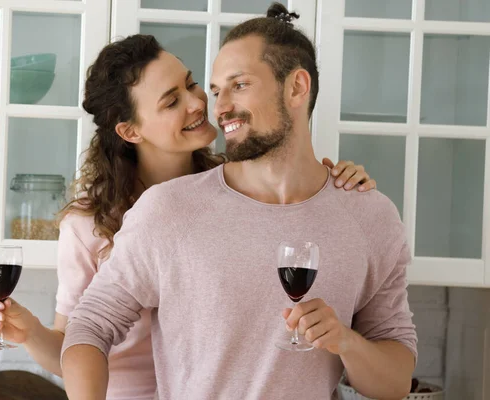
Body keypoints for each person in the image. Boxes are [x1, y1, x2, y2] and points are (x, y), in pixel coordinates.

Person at [0, 34, 377, 400]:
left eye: (191, 84)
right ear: (130, 130)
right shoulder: (89, 224)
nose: (199, 103)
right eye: (171, 101)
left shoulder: (238, 187)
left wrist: (336, 183)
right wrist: (33, 333)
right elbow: (80, 341)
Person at [60, 3, 417, 400]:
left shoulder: (370, 216)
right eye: (215, 90)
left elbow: (396, 381)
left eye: (239, 85)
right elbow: (89, 327)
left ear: (297, 87)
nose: (219, 106)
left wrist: (347, 342)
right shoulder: (168, 210)